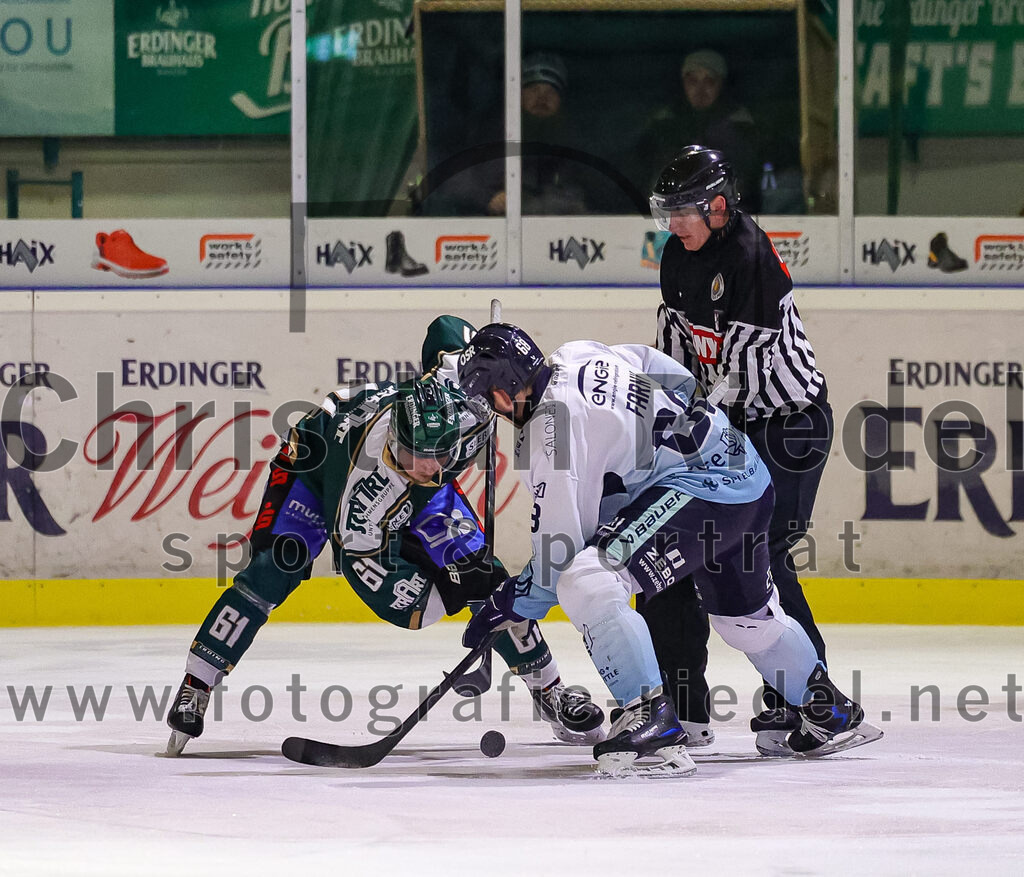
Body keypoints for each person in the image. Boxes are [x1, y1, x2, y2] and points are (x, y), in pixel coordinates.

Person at [165, 318, 605, 755]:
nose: (428, 466)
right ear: (395, 438)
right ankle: (196, 683)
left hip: (416, 492)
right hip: (314, 470)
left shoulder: (469, 401)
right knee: (274, 568)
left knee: (485, 576)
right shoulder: (362, 499)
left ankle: (551, 692)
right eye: (414, 454)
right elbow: (378, 579)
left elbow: (447, 329)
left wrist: (481, 350)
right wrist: (445, 589)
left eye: (440, 454)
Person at [456, 323, 880, 776]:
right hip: (745, 474)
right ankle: (826, 708)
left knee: (588, 578)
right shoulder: (575, 353)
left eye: (490, 400)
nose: (494, 411)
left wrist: (510, 602)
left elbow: (558, 556)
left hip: (703, 491)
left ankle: (650, 717)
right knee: (745, 620)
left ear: (505, 391)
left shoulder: (551, 432)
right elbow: (661, 368)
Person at [645, 144, 834, 755]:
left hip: (788, 426)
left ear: (720, 206)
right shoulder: (678, 254)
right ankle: (685, 705)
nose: (674, 224)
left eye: (685, 211)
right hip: (730, 425)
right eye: (669, 211)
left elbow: (740, 375)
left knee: (765, 552)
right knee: (685, 554)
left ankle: (809, 701)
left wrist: (693, 427)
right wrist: (665, 415)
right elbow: (674, 350)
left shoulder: (752, 255)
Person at [631, 49, 761, 213]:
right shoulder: (664, 123)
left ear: (721, 84)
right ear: (683, 84)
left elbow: (744, 178)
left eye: (709, 82)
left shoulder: (740, 123)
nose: (700, 90)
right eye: (693, 81)